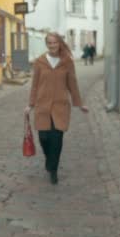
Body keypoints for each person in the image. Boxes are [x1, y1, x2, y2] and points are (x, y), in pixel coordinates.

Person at [24, 32, 89, 184]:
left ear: (59, 43)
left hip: (60, 106)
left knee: (57, 139)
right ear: (47, 45)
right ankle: (49, 160)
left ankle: (53, 170)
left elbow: (72, 84)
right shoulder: (40, 62)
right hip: (42, 106)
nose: (52, 45)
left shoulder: (67, 61)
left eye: (55, 42)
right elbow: (35, 85)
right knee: (44, 138)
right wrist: (30, 104)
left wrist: (79, 103)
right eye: (50, 43)